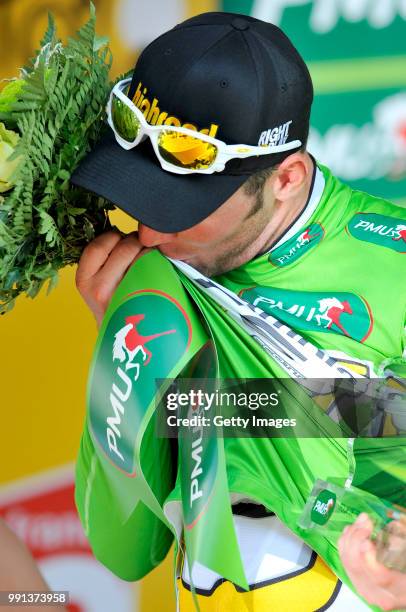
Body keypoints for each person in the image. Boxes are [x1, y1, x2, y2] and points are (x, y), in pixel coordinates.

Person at [70, 12, 406, 611]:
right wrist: (123, 360)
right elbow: (122, 546)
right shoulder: (154, 274)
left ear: (286, 178)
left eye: (183, 202)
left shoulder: (394, 270)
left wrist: (220, 403)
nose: (147, 229)